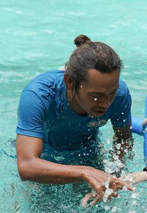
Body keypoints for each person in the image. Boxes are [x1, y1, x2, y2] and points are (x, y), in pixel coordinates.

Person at [16, 34, 133, 199]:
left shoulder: (120, 94)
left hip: (88, 154)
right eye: (96, 95)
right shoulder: (38, 95)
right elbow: (27, 165)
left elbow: (123, 139)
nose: (105, 104)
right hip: (45, 158)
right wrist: (85, 172)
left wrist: (113, 175)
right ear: (70, 82)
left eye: (111, 93)